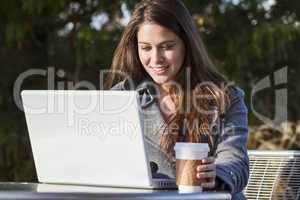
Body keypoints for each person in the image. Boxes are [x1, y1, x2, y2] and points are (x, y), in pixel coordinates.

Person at [105, 0, 249, 199]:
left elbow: (236, 162)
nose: (156, 59)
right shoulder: (120, 98)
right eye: (146, 48)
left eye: (167, 46)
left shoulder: (226, 97)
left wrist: (217, 174)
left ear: (187, 44)